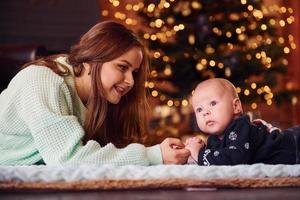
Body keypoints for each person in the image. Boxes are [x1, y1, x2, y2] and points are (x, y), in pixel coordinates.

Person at [0, 21, 190, 166]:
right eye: (122, 67)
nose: (131, 81)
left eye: (134, 72)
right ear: (90, 61)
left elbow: (104, 154)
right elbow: (69, 160)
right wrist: (153, 155)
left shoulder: (98, 98)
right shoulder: (42, 80)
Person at [185, 78, 300, 165]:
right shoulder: (213, 138)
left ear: (235, 106)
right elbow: (218, 158)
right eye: (199, 109)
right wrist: (200, 148)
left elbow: (235, 158)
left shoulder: (240, 126)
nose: (205, 112)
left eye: (213, 103)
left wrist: (199, 155)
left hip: (294, 145)